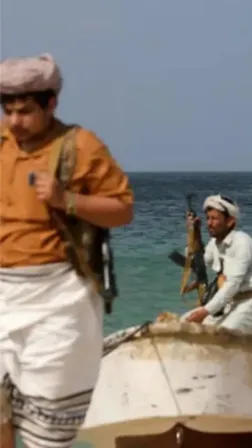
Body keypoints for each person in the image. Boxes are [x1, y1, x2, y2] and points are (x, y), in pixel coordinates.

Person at [0, 54, 134, 447]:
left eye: (25, 111)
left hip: (59, 297)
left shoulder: (80, 146)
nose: (14, 121)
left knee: (48, 424)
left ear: (51, 104)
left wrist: (67, 200)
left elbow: (122, 210)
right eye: (8, 111)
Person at [182, 194, 252, 332]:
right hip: (228, 305)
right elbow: (197, 266)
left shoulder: (242, 242)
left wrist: (205, 311)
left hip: (251, 305)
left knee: (222, 334)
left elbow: (232, 285)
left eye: (214, 218)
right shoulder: (214, 243)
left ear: (230, 221)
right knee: (183, 323)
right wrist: (195, 233)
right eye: (208, 218)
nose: (209, 223)